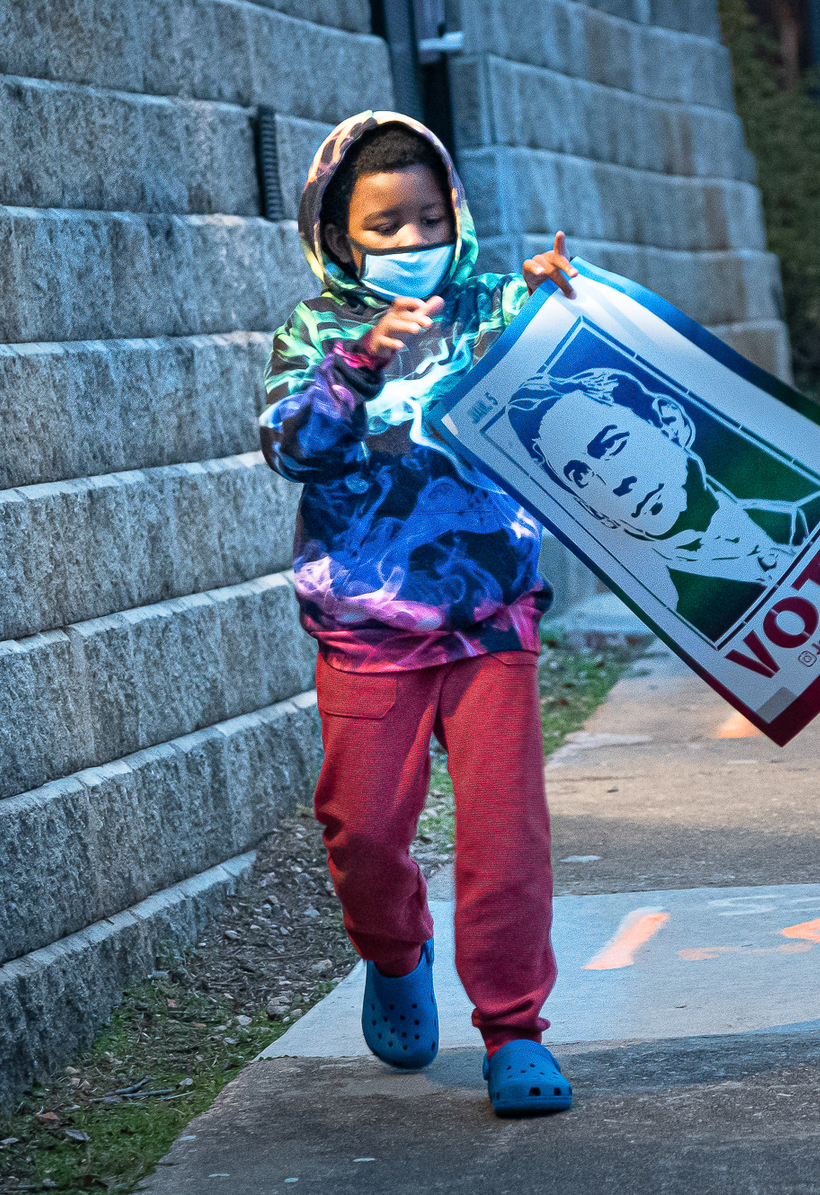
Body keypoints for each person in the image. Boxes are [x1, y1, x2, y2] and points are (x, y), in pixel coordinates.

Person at [259, 111, 579, 1117]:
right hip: (364, 629)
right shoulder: (313, 332)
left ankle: (514, 1029)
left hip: (490, 618)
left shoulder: (492, 307)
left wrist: (561, 302)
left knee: (503, 839)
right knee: (362, 830)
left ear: (456, 218)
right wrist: (361, 362)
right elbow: (293, 448)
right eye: (384, 227)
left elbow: (566, 379)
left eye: (427, 220)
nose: (409, 245)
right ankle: (394, 955)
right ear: (341, 237)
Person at [510, 366, 820, 635]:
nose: (613, 484)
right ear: (594, 511)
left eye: (611, 445)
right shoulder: (691, 618)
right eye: (580, 476)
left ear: (670, 422)